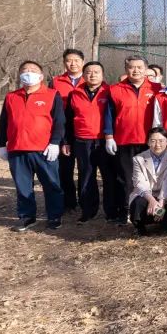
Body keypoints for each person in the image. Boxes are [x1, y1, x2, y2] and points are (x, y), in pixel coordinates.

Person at [0, 60, 66, 232]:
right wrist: (1, 144)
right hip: (17, 149)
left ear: (41, 76)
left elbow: (59, 122)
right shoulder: (11, 97)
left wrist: (55, 143)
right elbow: (4, 122)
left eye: (33, 70)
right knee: (23, 186)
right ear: (20, 75)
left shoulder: (52, 94)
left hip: (44, 150)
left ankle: (54, 216)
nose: (28, 72)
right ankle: (27, 217)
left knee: (51, 185)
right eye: (25, 70)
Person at [103, 55, 161, 224]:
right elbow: (108, 115)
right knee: (126, 178)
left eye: (139, 67)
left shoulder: (157, 89)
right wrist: (109, 136)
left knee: (151, 177)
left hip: (150, 142)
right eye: (131, 67)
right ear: (126, 69)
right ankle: (125, 210)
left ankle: (152, 212)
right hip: (124, 140)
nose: (135, 70)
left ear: (146, 69)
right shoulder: (115, 89)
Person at [63, 61, 117, 224]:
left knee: (109, 177)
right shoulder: (75, 94)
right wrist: (66, 141)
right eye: (88, 72)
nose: (92, 75)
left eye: (96, 72)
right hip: (82, 142)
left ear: (103, 75)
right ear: (84, 75)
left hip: (105, 141)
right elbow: (68, 121)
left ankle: (111, 212)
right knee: (86, 176)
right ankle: (88, 211)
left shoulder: (111, 92)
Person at [51, 48, 85, 212]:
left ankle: (85, 201)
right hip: (63, 129)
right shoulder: (56, 81)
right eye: (69, 60)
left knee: (85, 169)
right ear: (64, 63)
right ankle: (69, 203)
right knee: (65, 169)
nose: (73, 63)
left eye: (76, 60)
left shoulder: (91, 78)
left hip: (84, 129)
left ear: (82, 62)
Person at [128, 127, 167, 236]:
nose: (157, 144)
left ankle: (164, 222)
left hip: (165, 194)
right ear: (148, 142)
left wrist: (161, 203)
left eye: (161, 141)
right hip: (146, 193)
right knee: (138, 203)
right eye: (153, 141)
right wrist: (152, 200)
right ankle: (139, 227)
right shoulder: (139, 159)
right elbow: (139, 182)